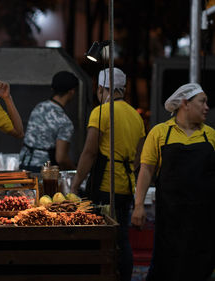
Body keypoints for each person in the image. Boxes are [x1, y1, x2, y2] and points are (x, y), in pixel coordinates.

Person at [131, 83, 215, 281]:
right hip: (170, 218)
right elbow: (146, 171)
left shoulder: (211, 135)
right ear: (186, 103)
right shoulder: (160, 132)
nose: (207, 107)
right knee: (168, 267)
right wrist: (138, 206)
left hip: (205, 219)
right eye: (202, 102)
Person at [70, 68, 145, 281]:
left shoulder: (101, 112)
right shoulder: (136, 116)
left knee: (101, 239)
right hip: (127, 187)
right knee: (122, 239)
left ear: (102, 89)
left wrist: (76, 184)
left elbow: (90, 151)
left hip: (105, 187)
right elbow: (139, 159)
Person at [19, 71, 79, 172]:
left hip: (24, 165)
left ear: (53, 89)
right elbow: (61, 158)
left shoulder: (39, 107)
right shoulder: (65, 122)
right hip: (44, 172)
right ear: (71, 92)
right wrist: (76, 172)